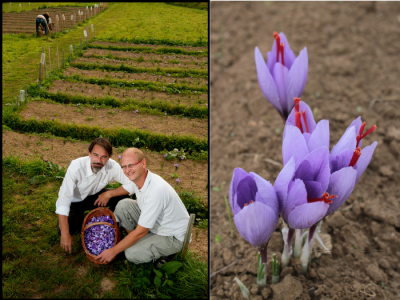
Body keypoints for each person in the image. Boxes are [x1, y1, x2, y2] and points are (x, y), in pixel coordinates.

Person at [95, 148, 191, 264]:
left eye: (131, 165)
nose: (127, 170)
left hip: (172, 236)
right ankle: (138, 241)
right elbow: (128, 187)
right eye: (124, 166)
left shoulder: (155, 191)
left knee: (131, 253)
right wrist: (109, 193)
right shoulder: (141, 178)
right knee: (123, 205)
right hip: (157, 223)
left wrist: (113, 251)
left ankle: (167, 254)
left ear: (143, 163)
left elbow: (141, 232)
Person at [56, 138, 136, 254]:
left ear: (109, 158)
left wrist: (109, 194)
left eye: (104, 157)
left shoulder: (112, 166)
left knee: (122, 198)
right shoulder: (76, 167)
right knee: (68, 229)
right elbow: (63, 200)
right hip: (75, 201)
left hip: (96, 196)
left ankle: (114, 224)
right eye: (95, 155)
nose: (99, 160)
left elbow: (133, 184)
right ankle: (89, 220)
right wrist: (65, 234)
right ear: (89, 154)